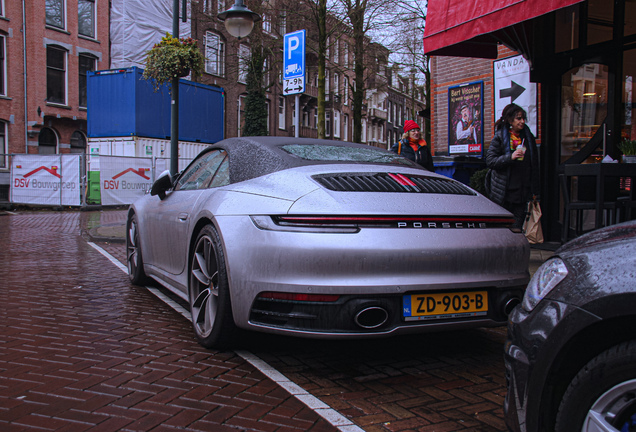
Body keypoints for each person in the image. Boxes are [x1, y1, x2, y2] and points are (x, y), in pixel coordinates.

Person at [486, 103, 540, 229]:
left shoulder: (528, 137)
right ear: (510, 120)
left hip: (522, 191)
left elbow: (534, 165)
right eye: (518, 118)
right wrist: (510, 157)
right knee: (502, 227)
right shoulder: (500, 136)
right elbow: (490, 161)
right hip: (504, 192)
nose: (522, 122)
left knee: (517, 227)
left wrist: (535, 190)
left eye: (523, 118)